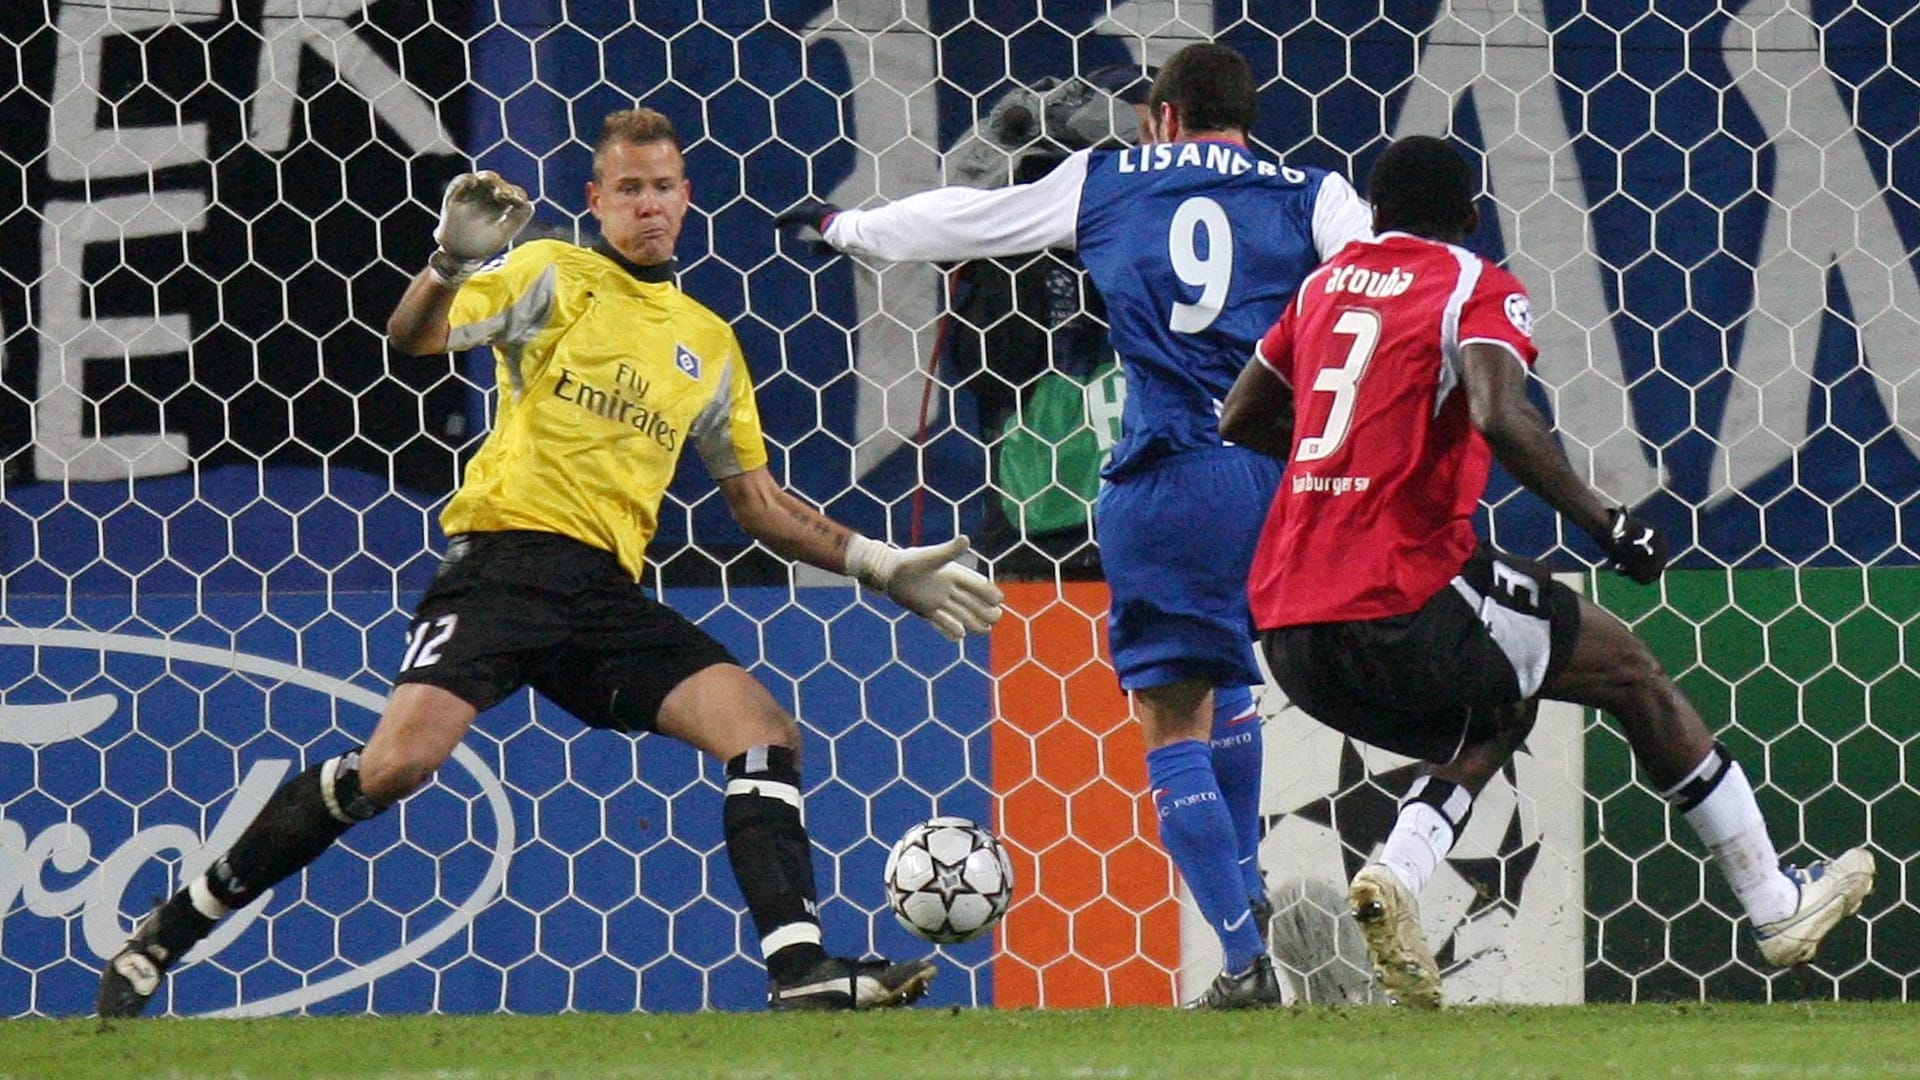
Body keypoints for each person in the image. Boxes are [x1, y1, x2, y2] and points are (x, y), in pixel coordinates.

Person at [94, 107, 1006, 1018]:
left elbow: (756, 504)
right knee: (394, 769)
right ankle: (169, 931)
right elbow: (413, 338)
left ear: (687, 199)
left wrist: (883, 566)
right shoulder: (548, 273)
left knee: (761, 728)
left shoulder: (707, 339)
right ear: (597, 199)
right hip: (508, 566)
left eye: (663, 189)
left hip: (605, 595)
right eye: (630, 190)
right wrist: (447, 264)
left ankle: (799, 970)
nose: (649, 206)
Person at [1219, 134, 1875, 1008]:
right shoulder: (1470, 283)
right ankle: (1773, 901)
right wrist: (1609, 525)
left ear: (1373, 215)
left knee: (1500, 696)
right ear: (1470, 217)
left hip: (1288, 630)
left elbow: (1240, 415)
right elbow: (1498, 414)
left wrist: (1342, 471)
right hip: (1397, 591)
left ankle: (1399, 875)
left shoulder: (1319, 287)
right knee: (1633, 671)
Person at [778, 43, 1374, 1008]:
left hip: (1170, 471)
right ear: (1245, 117)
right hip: (1276, 475)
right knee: (1229, 684)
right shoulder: (1313, 191)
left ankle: (1243, 960)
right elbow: (1382, 278)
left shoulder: (1111, 176)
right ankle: (1251, 898)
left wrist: (846, 226)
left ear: (1164, 117)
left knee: (1168, 714)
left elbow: (970, 220)